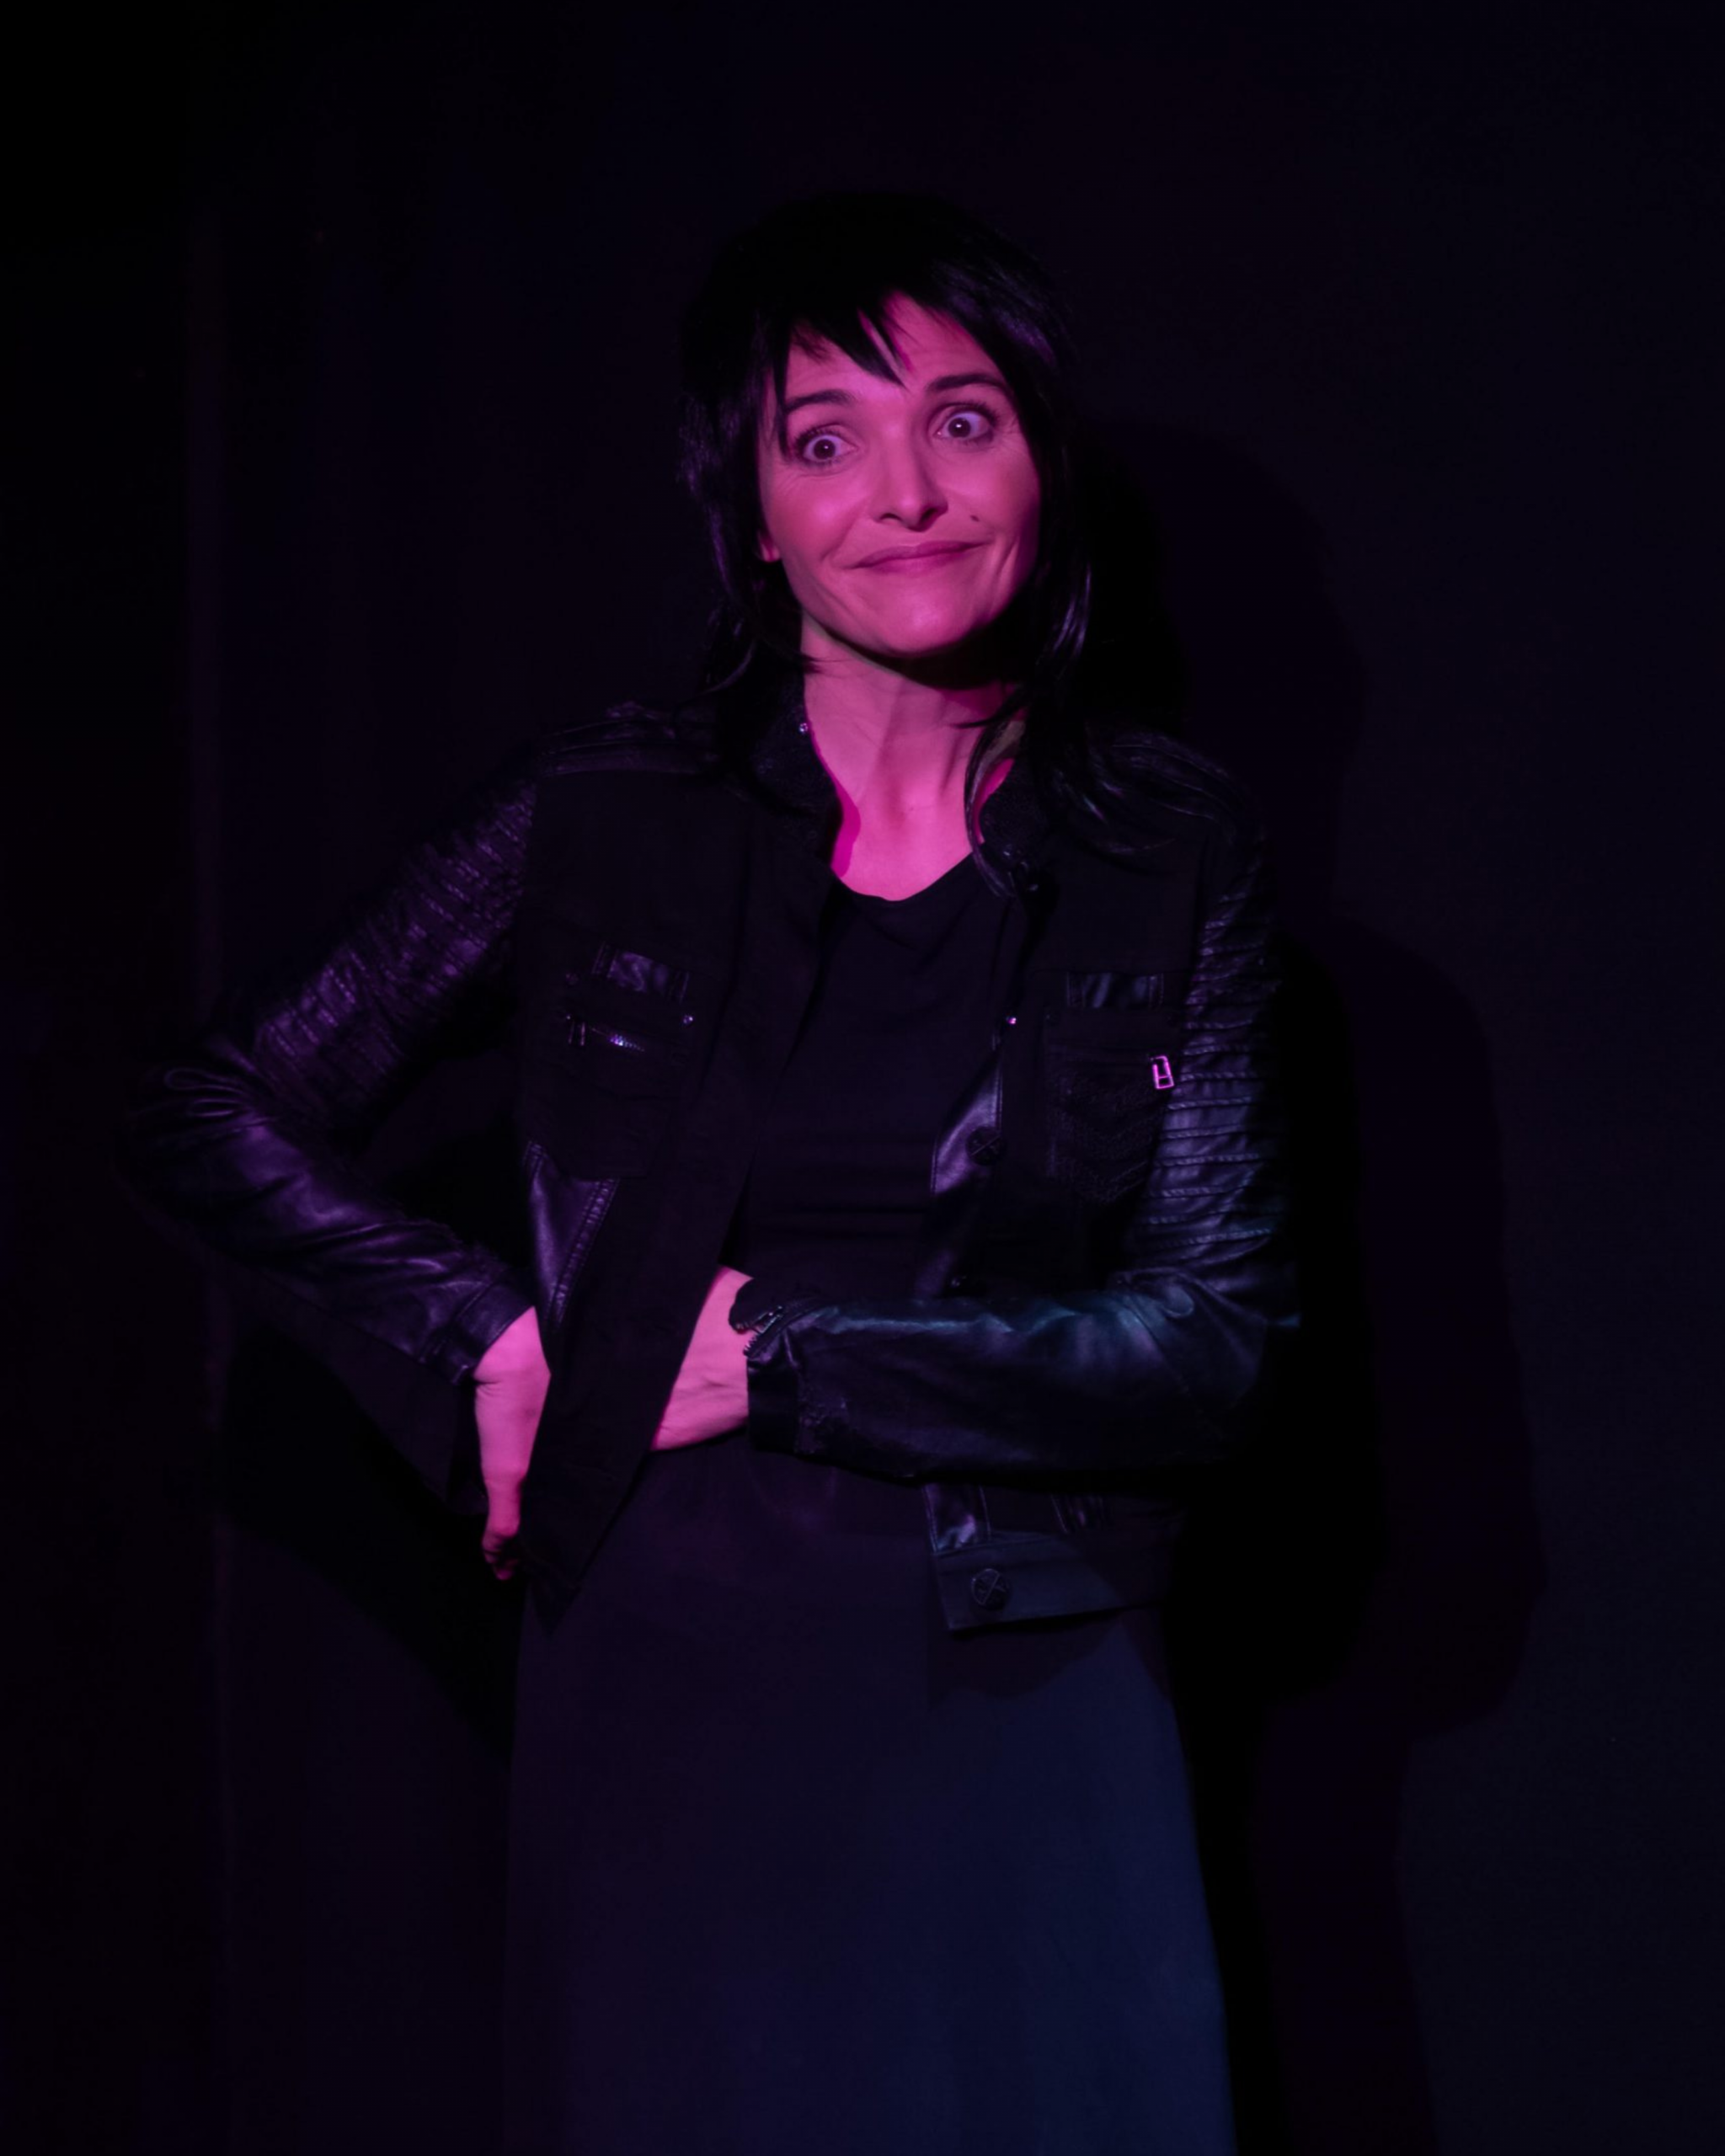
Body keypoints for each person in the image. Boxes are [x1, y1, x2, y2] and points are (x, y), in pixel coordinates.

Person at [122, 191, 1297, 2156]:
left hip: (1036, 1666)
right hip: (677, 1685)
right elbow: (206, 1099)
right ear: (750, 512)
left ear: (1041, 459)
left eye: (961, 420)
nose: (902, 492)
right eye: (822, 437)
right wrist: (485, 1333)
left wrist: (787, 1353)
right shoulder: (609, 816)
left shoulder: (1166, 845)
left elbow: (1216, 1338)